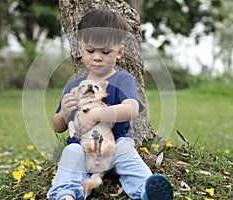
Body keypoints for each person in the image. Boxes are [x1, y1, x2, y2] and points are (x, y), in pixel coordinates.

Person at [47, 9, 173, 200]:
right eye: (90, 51)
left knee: (127, 153)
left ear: (119, 51)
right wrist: (64, 112)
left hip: (115, 146)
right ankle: (65, 194)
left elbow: (131, 109)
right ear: (80, 49)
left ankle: (146, 191)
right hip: (83, 149)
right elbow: (58, 127)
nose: (97, 57)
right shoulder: (74, 87)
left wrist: (98, 114)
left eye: (105, 52)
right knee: (70, 153)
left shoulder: (122, 80)